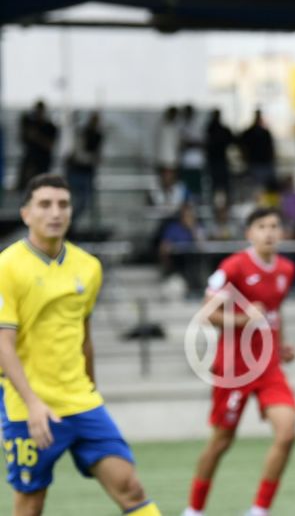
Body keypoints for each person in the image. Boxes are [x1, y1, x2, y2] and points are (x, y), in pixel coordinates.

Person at [0, 174, 161, 516]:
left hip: (81, 402)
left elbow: (84, 337)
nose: (55, 212)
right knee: (30, 504)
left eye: (63, 204)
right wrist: (32, 403)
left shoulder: (89, 268)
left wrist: (93, 392)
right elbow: (3, 343)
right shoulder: (7, 266)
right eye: (45, 204)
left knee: (131, 488)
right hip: (27, 407)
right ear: (26, 213)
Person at [183, 207, 295, 516]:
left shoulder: (286, 269)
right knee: (221, 441)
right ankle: (194, 510)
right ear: (249, 233)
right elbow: (207, 314)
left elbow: (275, 312)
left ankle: (259, 510)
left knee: (287, 432)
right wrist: (244, 317)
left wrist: (281, 344)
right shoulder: (233, 267)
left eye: (275, 226)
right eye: (262, 226)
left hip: (269, 367)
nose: (270, 232)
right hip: (235, 368)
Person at [17, 100, 58, 190]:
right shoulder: (31, 124)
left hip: (42, 164)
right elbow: (23, 138)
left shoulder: (49, 127)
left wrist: (36, 136)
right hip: (31, 163)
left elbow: (50, 145)